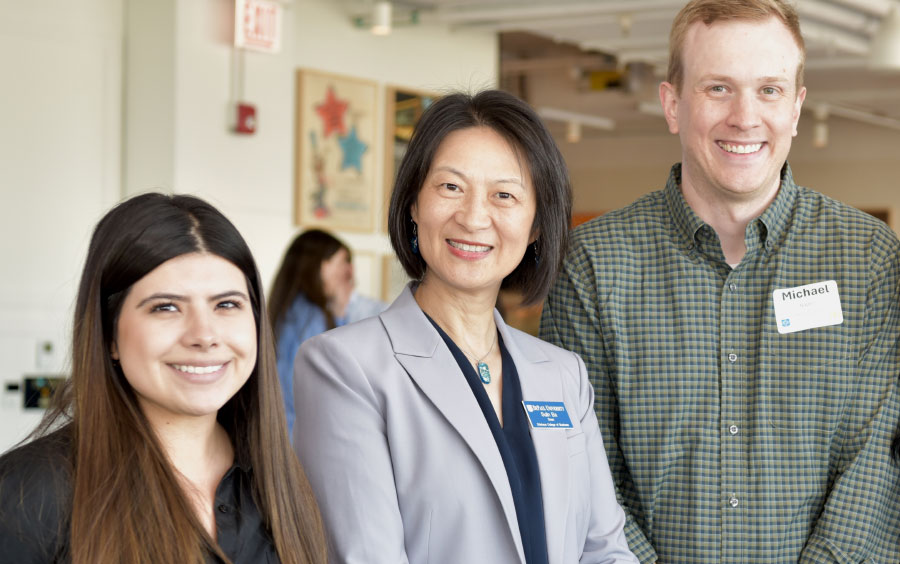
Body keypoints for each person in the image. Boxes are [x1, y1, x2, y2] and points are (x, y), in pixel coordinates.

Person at [540, 1, 900, 562]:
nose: (745, 117)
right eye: (718, 88)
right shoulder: (592, 265)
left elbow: (875, 466)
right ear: (672, 105)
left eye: (769, 90)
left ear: (796, 108)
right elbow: (582, 465)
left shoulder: (870, 260)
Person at [292, 90, 639, 563]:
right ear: (413, 204)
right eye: (451, 187)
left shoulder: (563, 376)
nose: (474, 217)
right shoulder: (346, 368)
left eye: (504, 195)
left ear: (536, 226)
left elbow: (605, 550)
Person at [0, 193, 327, 564]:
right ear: (109, 336)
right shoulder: (28, 492)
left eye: (226, 304)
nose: (204, 335)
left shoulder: (285, 483)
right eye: (166, 307)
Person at [268, 229, 355, 435]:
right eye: (343, 262)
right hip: (300, 438)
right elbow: (333, 384)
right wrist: (340, 313)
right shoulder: (312, 318)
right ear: (321, 266)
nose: (349, 273)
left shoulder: (287, 310)